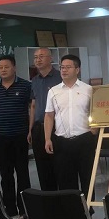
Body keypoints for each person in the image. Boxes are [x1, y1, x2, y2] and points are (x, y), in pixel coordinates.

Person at [44, 55, 97, 197]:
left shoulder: (89, 89)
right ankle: (71, 209)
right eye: (62, 67)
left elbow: (96, 112)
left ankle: (88, 209)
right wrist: (47, 139)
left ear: (77, 70)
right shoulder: (53, 91)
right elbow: (49, 116)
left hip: (84, 139)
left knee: (87, 178)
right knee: (65, 180)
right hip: (62, 142)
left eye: (68, 67)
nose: (64, 70)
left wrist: (94, 129)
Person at [0, 55, 32, 217]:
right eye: (0, 67)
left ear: (14, 68)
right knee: (5, 174)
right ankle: (10, 208)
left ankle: (24, 208)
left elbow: (32, 109)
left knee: (22, 172)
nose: (3, 70)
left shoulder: (26, 86)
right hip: (1, 136)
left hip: (20, 135)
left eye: (6, 67)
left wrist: (30, 130)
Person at [29, 47, 62, 190]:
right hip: (38, 127)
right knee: (42, 168)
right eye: (36, 57)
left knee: (59, 165)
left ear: (51, 58)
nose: (38, 59)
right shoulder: (34, 80)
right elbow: (33, 105)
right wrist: (30, 129)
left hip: (57, 127)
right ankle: (48, 198)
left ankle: (62, 197)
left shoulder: (60, 77)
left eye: (42, 56)